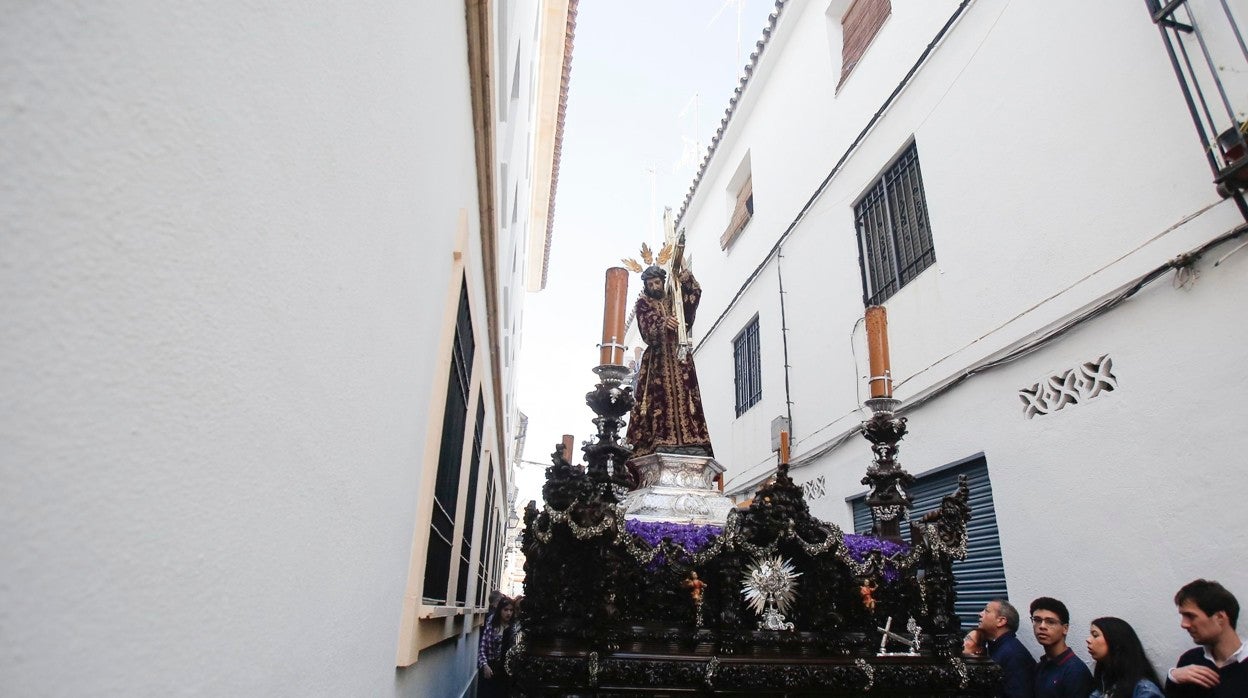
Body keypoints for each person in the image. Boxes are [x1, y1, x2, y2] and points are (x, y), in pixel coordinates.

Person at [625, 264, 714, 460]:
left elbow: (691, 302)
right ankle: (661, 439)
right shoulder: (643, 303)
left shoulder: (674, 300)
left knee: (685, 396)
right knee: (660, 398)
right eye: (651, 284)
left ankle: (691, 439)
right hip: (658, 360)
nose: (655, 286)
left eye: (658, 282)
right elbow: (646, 329)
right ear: (646, 286)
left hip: (679, 356)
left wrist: (686, 279)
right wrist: (663, 323)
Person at [1165, 579, 1247, 697]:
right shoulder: (1190, 660)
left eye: (1190, 616)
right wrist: (1173, 678)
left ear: (1219, 617)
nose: (1184, 624)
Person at [1029, 597, 1094, 698]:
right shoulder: (1040, 666)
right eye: (1037, 620)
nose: (1042, 626)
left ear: (1065, 628)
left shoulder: (1075, 671)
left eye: (1050, 622)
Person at [1085, 617, 1163, 697]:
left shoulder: (1145, 690)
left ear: (1115, 641)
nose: (1088, 640)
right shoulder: (1104, 680)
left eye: (1095, 635)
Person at [979, 599, 1037, 697]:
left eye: (986, 611)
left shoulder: (1013, 655)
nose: (980, 614)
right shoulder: (996, 648)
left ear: (1001, 621)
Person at [478, 597, 515, 698]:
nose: (508, 613)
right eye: (506, 610)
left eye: (511, 610)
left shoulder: (514, 628)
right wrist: (485, 665)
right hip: (491, 669)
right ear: (500, 610)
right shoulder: (491, 626)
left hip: (506, 672)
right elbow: (482, 648)